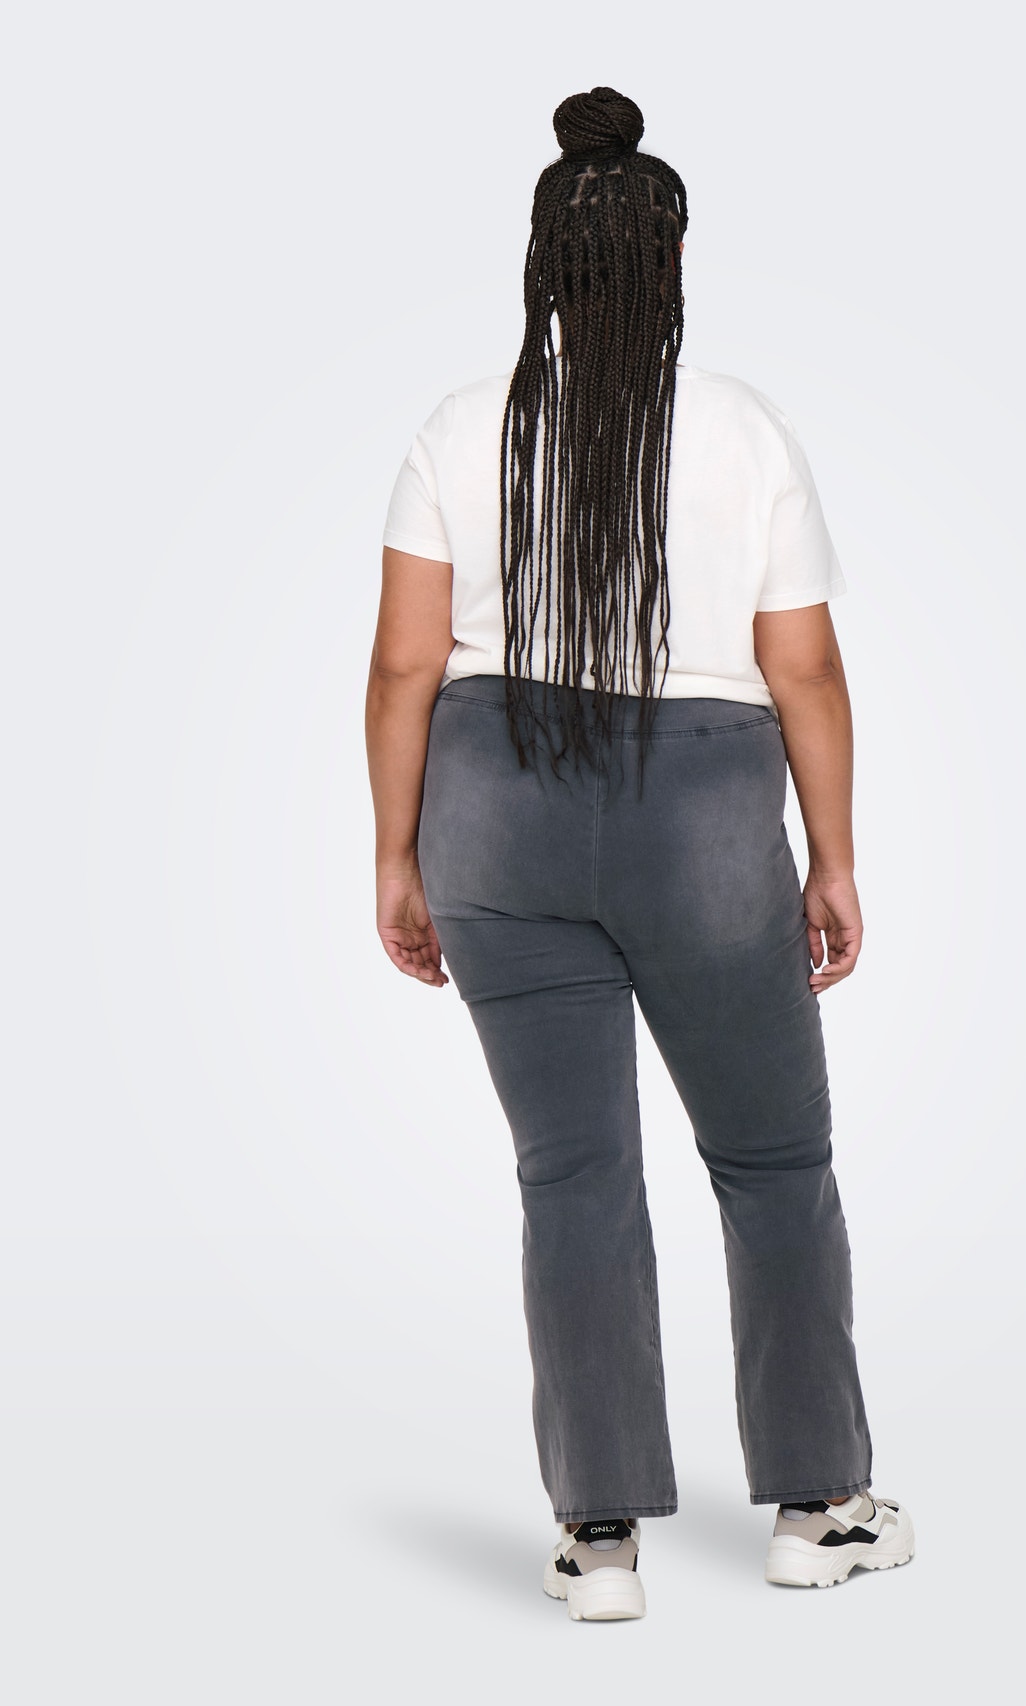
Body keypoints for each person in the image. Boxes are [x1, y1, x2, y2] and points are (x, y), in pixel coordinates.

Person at [365, 85, 914, 1622]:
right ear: (671, 264)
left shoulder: (460, 426)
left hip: (496, 801)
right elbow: (804, 667)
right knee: (772, 1160)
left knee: (574, 1173)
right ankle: (819, 1506)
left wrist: (398, 852)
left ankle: (597, 1538)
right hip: (702, 814)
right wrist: (833, 855)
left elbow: (405, 663)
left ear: (540, 260)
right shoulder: (741, 428)